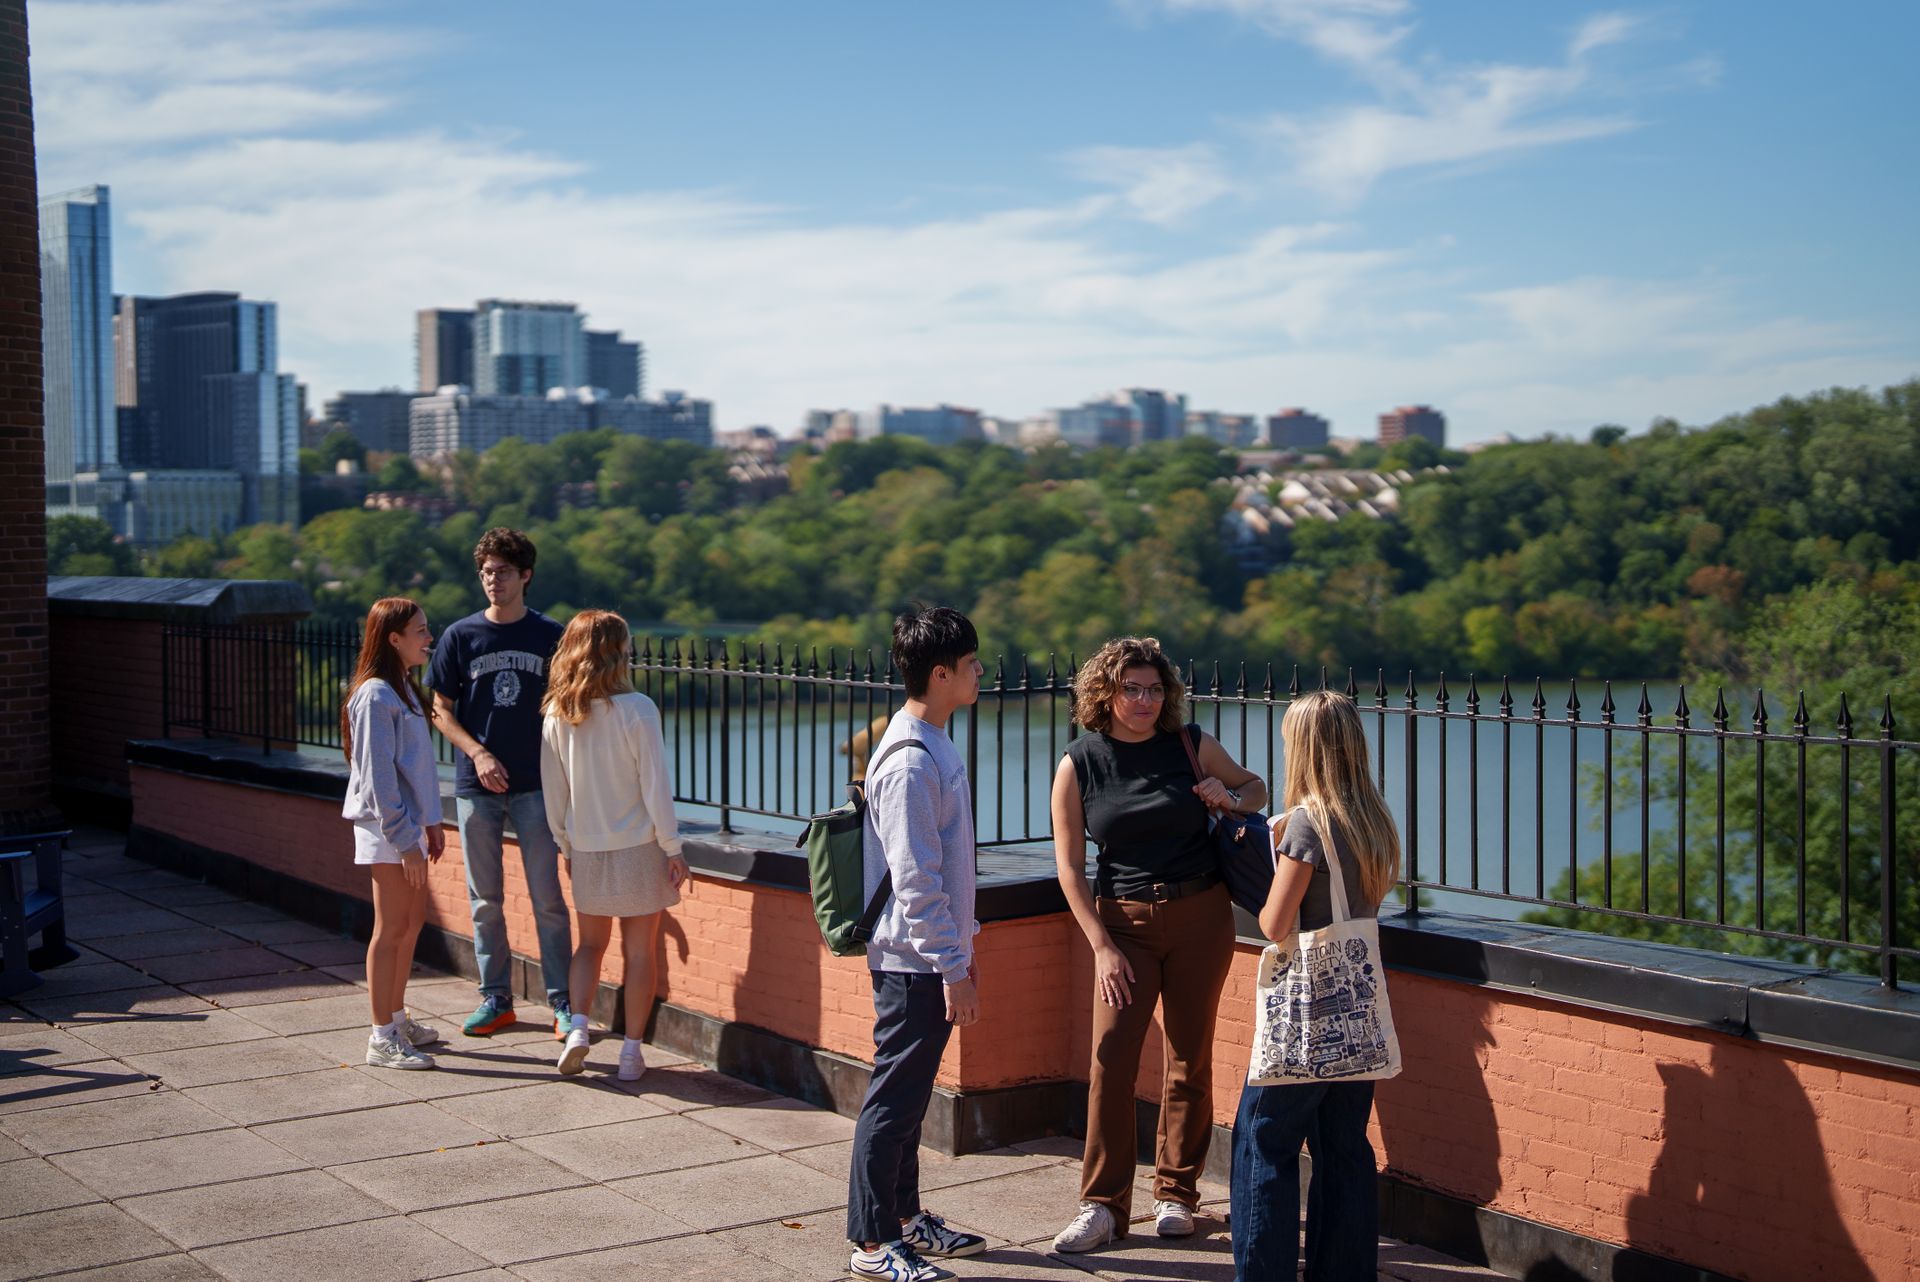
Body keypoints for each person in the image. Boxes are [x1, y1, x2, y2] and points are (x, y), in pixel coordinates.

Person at [1049, 636, 1267, 1252]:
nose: (1144, 700)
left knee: (1189, 1057)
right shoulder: (1080, 762)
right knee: (1110, 1060)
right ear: (1105, 694)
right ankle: (1102, 1205)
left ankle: (1177, 1194)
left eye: (1154, 689)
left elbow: (1255, 790)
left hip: (1202, 915)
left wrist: (1229, 796)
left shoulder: (1191, 745)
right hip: (1121, 926)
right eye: (1130, 689)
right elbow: (1068, 868)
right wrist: (1101, 946)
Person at [1231, 690, 1402, 1282]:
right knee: (1346, 1150)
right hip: (1358, 1014)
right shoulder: (1374, 820)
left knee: (1264, 1142)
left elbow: (1275, 924)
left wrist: (1278, 853)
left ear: (1303, 749)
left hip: (1308, 1015)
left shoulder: (1307, 823)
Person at [846, 607, 989, 1282]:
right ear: (940, 675)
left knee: (907, 1099)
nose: (980, 671)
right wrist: (954, 966)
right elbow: (916, 881)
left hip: (927, 956)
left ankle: (905, 1221)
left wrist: (965, 944)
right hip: (916, 961)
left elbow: (948, 867)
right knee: (893, 1099)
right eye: (970, 663)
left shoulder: (932, 739)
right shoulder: (909, 759)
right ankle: (874, 1241)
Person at [428, 527, 573, 1039]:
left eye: (503, 572)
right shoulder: (460, 636)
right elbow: (440, 710)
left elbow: (568, 705)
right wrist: (478, 753)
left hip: (536, 785)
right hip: (476, 784)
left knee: (547, 897)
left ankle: (563, 1003)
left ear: (525, 575)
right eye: (487, 572)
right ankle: (496, 999)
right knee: (484, 898)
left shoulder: (549, 635)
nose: (493, 580)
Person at [540, 610, 691, 1081]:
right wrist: (673, 848)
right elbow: (655, 787)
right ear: (616, 651)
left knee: (588, 946)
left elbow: (554, 790)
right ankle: (630, 1053)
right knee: (640, 952)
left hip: (586, 847)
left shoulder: (558, 713)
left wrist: (565, 843)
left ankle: (580, 1031)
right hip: (638, 846)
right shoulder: (638, 709)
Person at [341, 597, 445, 1071]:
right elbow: (381, 780)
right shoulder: (375, 695)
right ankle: (381, 1036)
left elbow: (416, 768)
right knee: (390, 929)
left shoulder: (402, 687)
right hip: (389, 830)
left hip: (408, 828)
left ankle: (397, 1019)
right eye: (420, 631)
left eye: (427, 629)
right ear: (393, 638)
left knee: (411, 924)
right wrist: (407, 840)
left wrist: (431, 824)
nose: (428, 638)